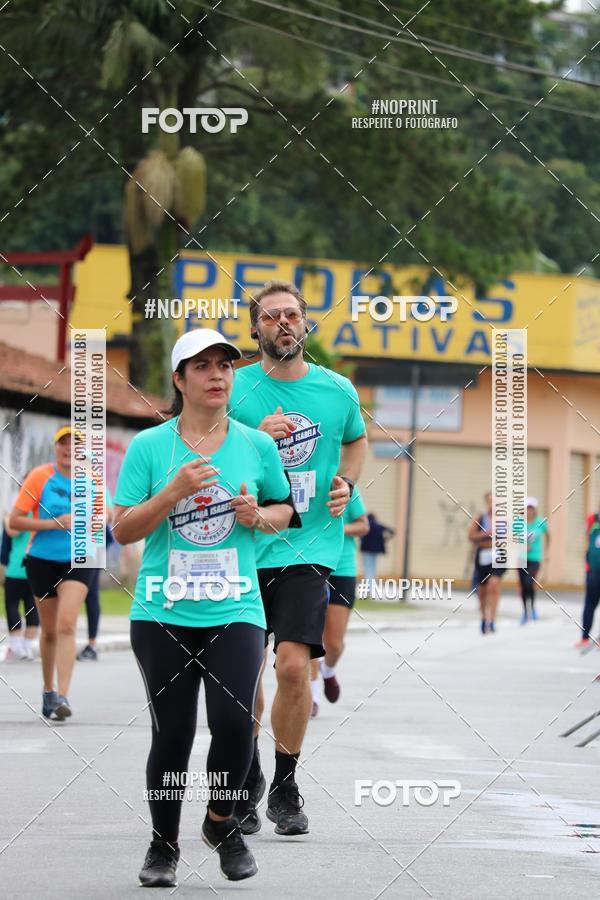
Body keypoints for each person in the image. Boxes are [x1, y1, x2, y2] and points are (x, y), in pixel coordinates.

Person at [113, 328, 298, 887]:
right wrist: (170, 493)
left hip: (236, 605)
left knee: (235, 722)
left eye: (225, 365)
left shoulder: (256, 444)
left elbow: (287, 510)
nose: (217, 374)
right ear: (179, 379)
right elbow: (121, 530)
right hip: (162, 611)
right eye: (202, 366)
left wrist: (258, 516)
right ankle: (162, 845)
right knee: (171, 734)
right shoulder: (150, 446)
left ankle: (222, 822)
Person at [229, 279, 367, 837]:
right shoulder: (233, 388)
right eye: (271, 316)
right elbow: (198, 441)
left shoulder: (337, 391)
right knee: (241, 679)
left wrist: (346, 481)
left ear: (305, 323)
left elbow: (356, 441)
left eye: (292, 314)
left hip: (309, 546)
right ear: (256, 328)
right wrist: (250, 434)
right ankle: (249, 773)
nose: (283, 323)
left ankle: (286, 783)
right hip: (236, 549)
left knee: (291, 667)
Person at [9, 426, 97, 719]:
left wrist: (98, 519)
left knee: (67, 624)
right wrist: (55, 523)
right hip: (42, 559)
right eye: (63, 444)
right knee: (49, 632)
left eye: (76, 444)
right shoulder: (39, 476)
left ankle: (63, 696)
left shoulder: (92, 479)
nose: (69, 449)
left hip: (80, 558)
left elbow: (107, 515)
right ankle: (48, 691)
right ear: (55, 448)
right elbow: (16, 521)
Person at [311, 487, 369, 715]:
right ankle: (312, 696)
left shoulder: (345, 489)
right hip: (310, 565)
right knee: (310, 637)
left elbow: (363, 525)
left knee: (334, 643)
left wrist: (336, 529)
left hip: (342, 569)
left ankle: (328, 670)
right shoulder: (302, 481)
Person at [77, 489, 114, 661]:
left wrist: (91, 521)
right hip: (67, 545)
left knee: (90, 593)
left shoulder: (98, 486)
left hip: (94, 545)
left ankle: (92, 644)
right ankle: (60, 639)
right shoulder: (61, 481)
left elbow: (109, 514)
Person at [2, 510, 39, 661]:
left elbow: (11, 531)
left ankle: (17, 647)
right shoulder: (40, 515)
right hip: (35, 569)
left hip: (16, 569)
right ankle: (28, 647)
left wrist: (5, 518)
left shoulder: (19, 516)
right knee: (32, 606)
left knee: (12, 605)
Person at [468, 491, 505, 634]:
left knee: (494, 585)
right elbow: (470, 536)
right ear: (486, 502)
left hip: (499, 554)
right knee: (483, 591)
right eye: (490, 501)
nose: (492, 504)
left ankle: (493, 620)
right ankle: (484, 617)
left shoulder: (505, 519)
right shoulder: (480, 517)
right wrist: (486, 533)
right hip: (483, 554)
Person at [518, 497, 549, 625]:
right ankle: (526, 611)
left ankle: (533, 607)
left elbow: (548, 535)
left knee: (529, 582)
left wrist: (547, 551)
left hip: (535, 558)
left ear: (534, 509)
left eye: (530, 508)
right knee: (523, 586)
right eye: (526, 508)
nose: (528, 511)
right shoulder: (518, 523)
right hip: (521, 558)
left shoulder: (540, 522)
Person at [576, 506, 600, 650]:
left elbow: (587, 538)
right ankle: (585, 637)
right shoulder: (592, 518)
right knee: (589, 604)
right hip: (593, 570)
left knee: (589, 604)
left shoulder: (593, 518)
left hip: (592, 570)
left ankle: (586, 639)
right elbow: (587, 538)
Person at [360, 513, 395, 588]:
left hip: (366, 549)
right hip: (376, 550)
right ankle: (372, 587)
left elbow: (360, 535)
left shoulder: (366, 525)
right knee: (373, 568)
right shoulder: (378, 525)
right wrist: (385, 539)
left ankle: (368, 587)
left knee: (367, 568)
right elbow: (392, 531)